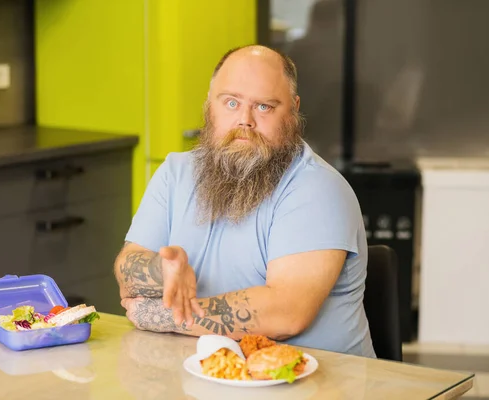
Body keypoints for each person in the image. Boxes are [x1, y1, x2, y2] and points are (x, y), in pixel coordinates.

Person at [114, 45, 375, 358]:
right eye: (231, 102)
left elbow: (286, 313)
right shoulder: (175, 173)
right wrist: (161, 270)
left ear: (293, 109)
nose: (245, 120)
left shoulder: (319, 189)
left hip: (320, 384)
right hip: (208, 375)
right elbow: (127, 268)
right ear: (210, 104)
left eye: (264, 107)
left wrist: (160, 314)